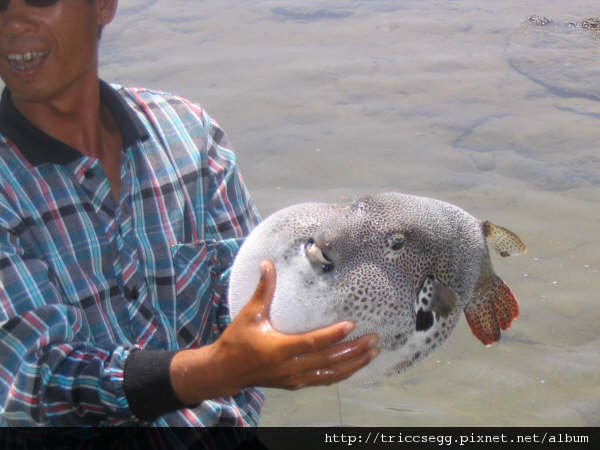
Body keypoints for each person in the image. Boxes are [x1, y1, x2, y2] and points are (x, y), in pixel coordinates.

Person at [0, 0, 380, 443]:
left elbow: (247, 290)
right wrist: (213, 371)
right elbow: (31, 379)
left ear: (103, 6)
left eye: (39, 0)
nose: (13, 23)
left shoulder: (188, 134)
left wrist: (329, 290)